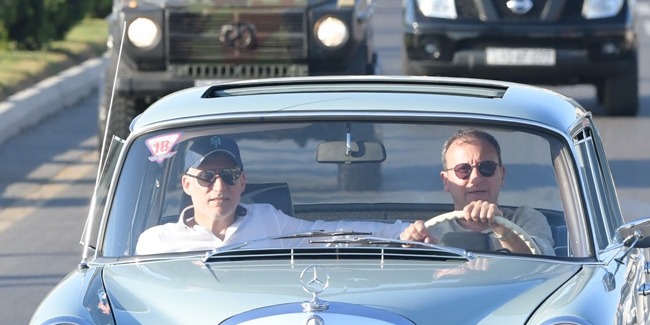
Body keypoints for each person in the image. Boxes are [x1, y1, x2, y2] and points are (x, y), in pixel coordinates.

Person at [134, 136, 401, 254]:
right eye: (206, 176)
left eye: (229, 175)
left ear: (242, 183)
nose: (219, 186)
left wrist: (401, 233)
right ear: (187, 184)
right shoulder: (155, 244)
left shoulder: (268, 221)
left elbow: (332, 235)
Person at [398, 129, 552, 255]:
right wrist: (410, 249)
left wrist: (502, 229)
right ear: (446, 181)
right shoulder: (429, 233)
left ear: (502, 175)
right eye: (463, 170)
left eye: (487, 167)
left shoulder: (527, 219)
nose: (476, 178)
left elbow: (543, 265)